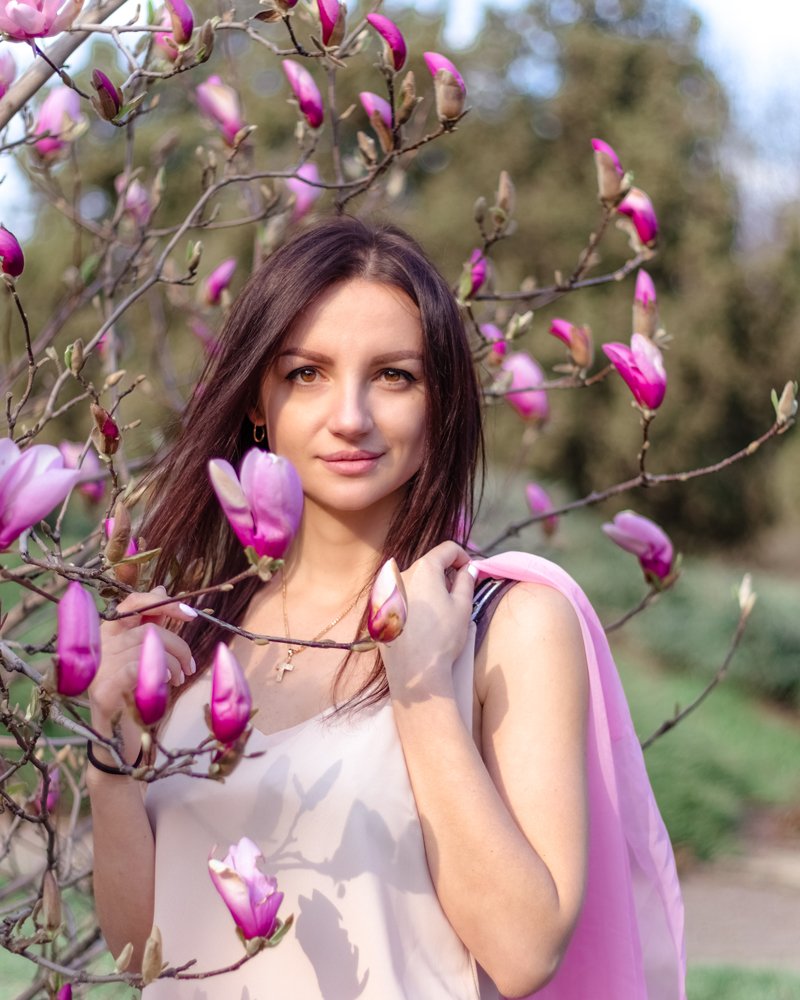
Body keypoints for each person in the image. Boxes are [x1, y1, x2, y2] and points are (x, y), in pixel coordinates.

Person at [87, 216, 685, 999]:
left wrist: (422, 688)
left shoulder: (505, 625)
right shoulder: (195, 636)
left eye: (394, 376)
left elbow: (523, 951)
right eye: (307, 372)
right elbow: (147, 954)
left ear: (440, 404)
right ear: (258, 399)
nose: (350, 416)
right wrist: (111, 747)